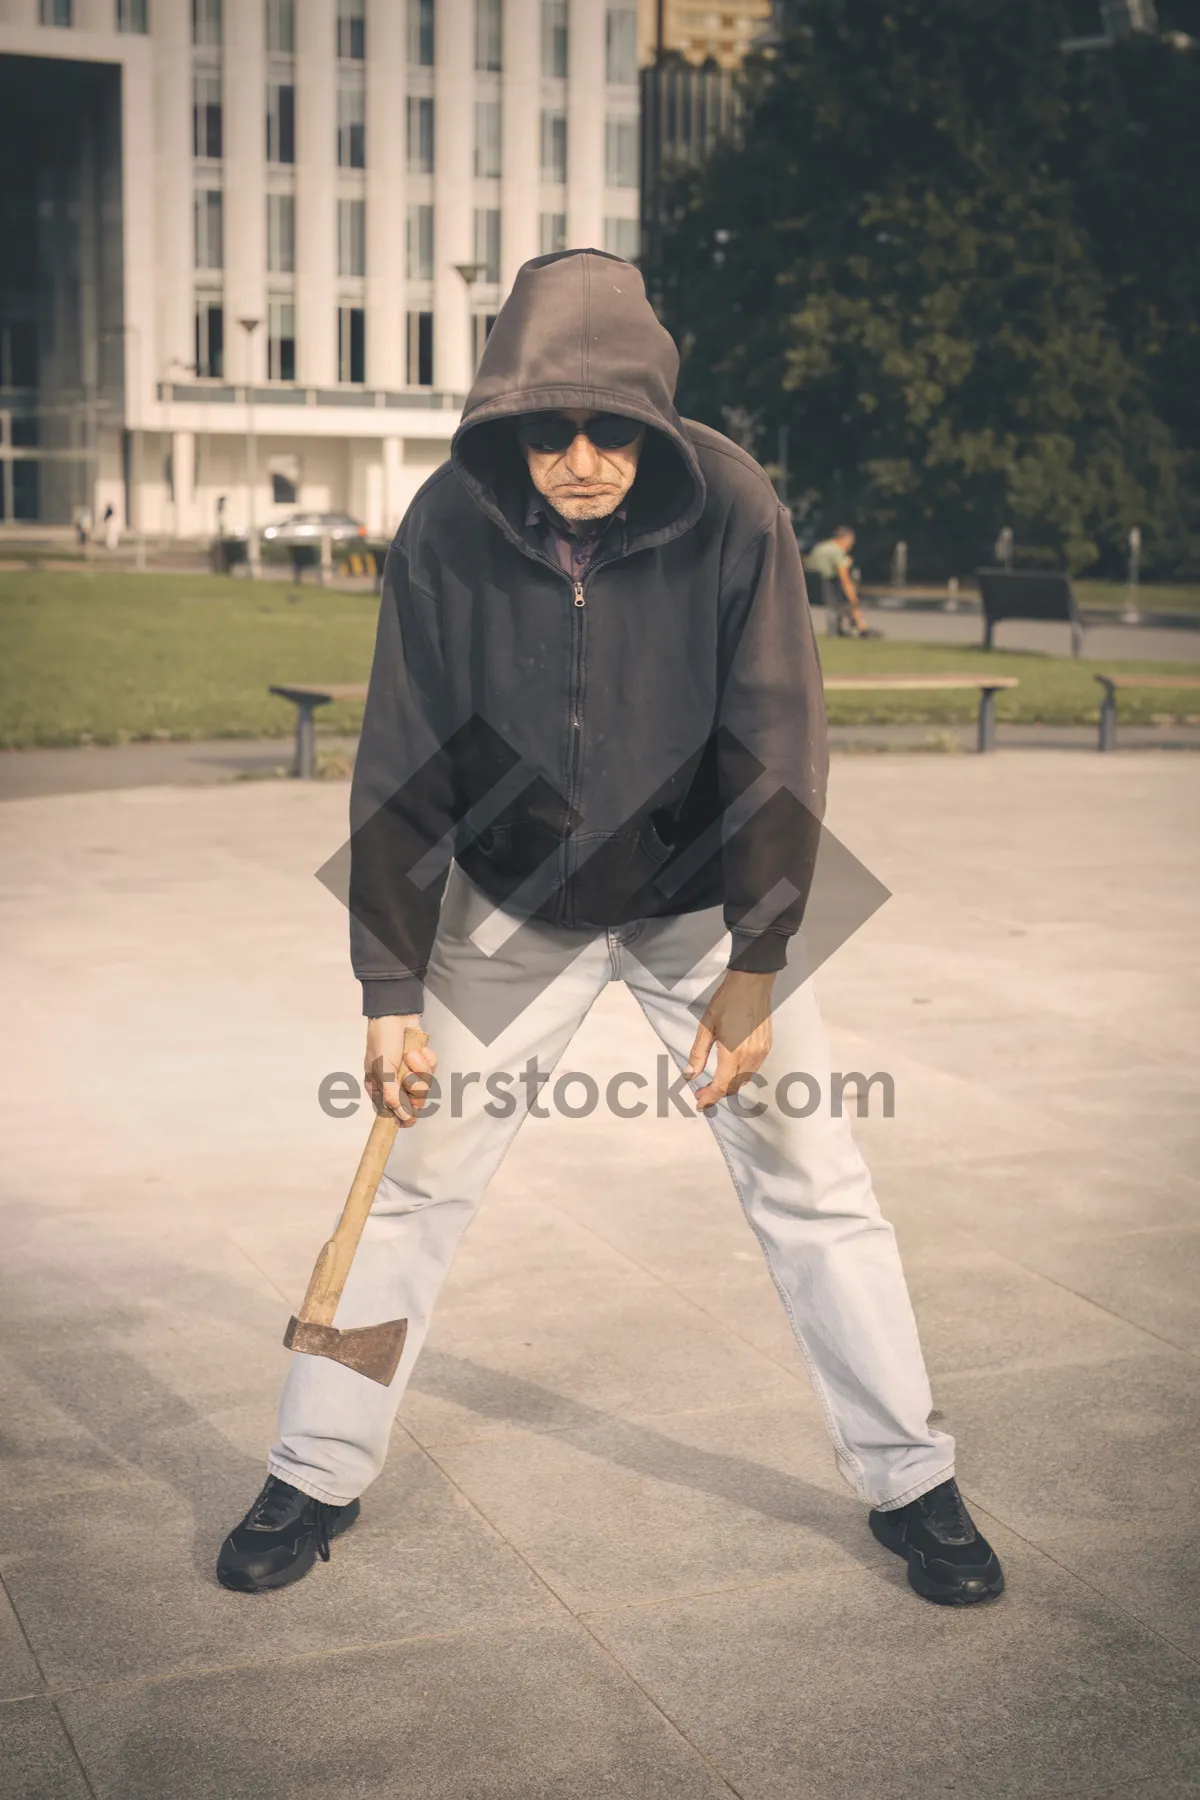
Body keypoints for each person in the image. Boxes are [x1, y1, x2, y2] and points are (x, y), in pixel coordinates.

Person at [217, 250, 1003, 1609]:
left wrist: (756, 968)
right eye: (547, 430)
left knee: (817, 1183)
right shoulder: (446, 526)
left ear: (653, 412)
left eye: (609, 429)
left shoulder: (733, 506)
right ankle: (313, 1466)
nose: (580, 459)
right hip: (510, 900)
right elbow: (403, 752)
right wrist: (389, 983)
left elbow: (779, 734)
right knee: (409, 1187)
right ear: (503, 420)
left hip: (701, 894)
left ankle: (913, 1480)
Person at [804, 526, 877, 637]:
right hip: (828, 586)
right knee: (846, 599)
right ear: (845, 539)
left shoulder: (820, 547)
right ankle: (859, 626)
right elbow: (844, 577)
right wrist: (853, 598)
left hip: (811, 585)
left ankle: (857, 625)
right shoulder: (836, 551)